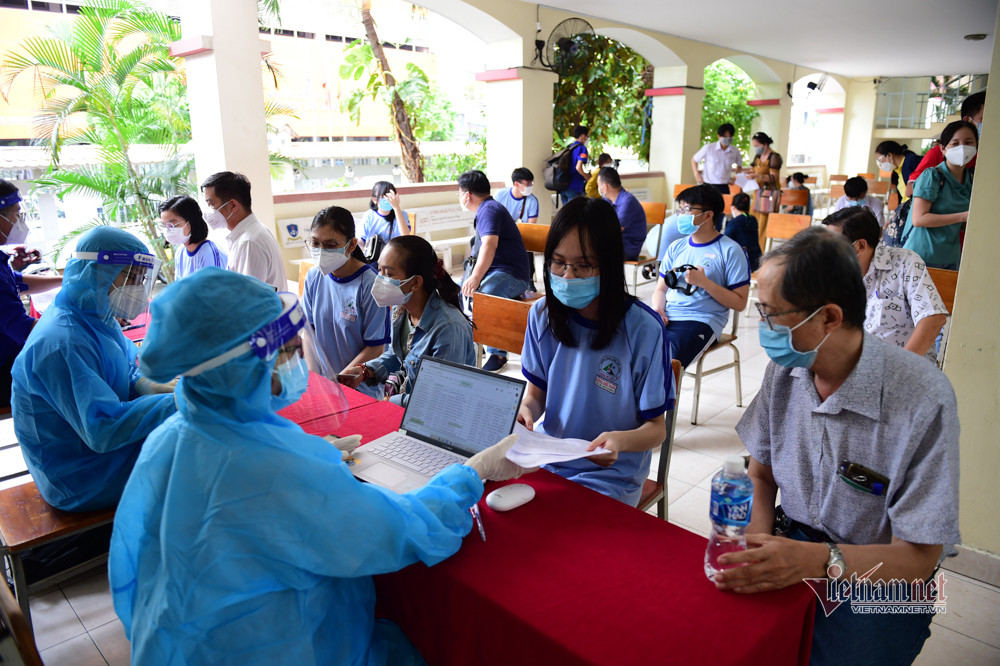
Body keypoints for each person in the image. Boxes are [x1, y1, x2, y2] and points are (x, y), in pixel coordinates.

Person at [109, 267, 532, 665]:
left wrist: (318, 459)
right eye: (290, 353)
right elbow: (395, 532)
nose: (298, 364)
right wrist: (470, 474)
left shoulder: (172, 436)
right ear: (250, 363)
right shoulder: (273, 465)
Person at [716, 226, 959, 666]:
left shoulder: (921, 397)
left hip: (887, 574)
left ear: (828, 317)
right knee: (735, 639)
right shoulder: (786, 371)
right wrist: (755, 544)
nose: (763, 328)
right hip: (796, 535)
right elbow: (761, 473)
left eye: (772, 315)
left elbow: (919, 558)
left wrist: (816, 561)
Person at [517, 196, 672, 507]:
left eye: (584, 265)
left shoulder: (644, 329)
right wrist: (524, 412)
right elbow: (536, 396)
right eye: (558, 262)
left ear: (609, 265)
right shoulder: (541, 315)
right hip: (548, 459)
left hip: (611, 475)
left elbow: (656, 430)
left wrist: (620, 441)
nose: (567, 276)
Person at [11, 226, 176, 511]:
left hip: (92, 451)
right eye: (131, 276)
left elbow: (126, 368)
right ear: (97, 272)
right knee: (199, 448)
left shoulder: (98, 318)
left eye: (141, 278)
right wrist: (176, 401)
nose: (138, 287)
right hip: (81, 474)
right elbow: (103, 429)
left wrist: (147, 385)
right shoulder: (63, 341)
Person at [343, 235, 476, 404]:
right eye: (379, 270)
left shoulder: (448, 328)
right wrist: (366, 371)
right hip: (407, 408)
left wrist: (390, 403)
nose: (379, 279)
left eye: (389, 273)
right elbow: (399, 355)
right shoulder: (402, 310)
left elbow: (441, 398)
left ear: (415, 283)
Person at [822, 207, 947, 361]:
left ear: (860, 246)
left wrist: (900, 369)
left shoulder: (905, 263)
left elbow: (933, 318)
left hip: (904, 369)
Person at [651, 184, 751, 368]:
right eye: (680, 210)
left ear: (708, 215)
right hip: (668, 315)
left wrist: (705, 283)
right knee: (631, 348)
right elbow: (660, 288)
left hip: (701, 319)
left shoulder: (730, 250)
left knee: (666, 360)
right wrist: (658, 309)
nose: (681, 215)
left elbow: (740, 303)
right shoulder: (676, 247)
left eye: (687, 209)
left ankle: (664, 396)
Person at [301, 207, 390, 399]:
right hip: (324, 387)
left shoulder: (372, 285)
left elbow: (376, 347)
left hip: (360, 388)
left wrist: (339, 382)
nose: (321, 251)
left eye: (331, 245)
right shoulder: (314, 276)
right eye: (315, 243)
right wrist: (315, 379)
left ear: (351, 245)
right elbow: (308, 332)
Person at [458, 170, 531, 372]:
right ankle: (476, 339)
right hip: (497, 273)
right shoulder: (486, 209)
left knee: (483, 296)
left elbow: (489, 245)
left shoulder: (489, 210)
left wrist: (475, 277)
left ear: (467, 195)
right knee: (456, 292)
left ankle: (498, 354)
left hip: (513, 276)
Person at [0, 180, 62, 405]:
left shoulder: (1, 260)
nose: (20, 222)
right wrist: (76, 328)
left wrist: (66, 280)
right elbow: (22, 328)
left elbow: (17, 283)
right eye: (16, 215)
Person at [902, 120, 977, 269]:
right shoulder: (932, 176)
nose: (962, 148)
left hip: (951, 256)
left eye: (969, 143)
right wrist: (964, 216)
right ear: (942, 149)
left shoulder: (971, 179)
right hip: (922, 256)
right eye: (955, 144)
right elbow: (919, 219)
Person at [201, 171, 287, 291]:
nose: (208, 212)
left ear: (233, 205)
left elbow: (249, 299)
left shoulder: (249, 242)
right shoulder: (250, 233)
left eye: (211, 204)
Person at [907, 90, 984, 188]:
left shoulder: (987, 153)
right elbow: (911, 188)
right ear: (968, 120)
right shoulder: (938, 154)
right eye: (983, 119)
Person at [159, 195, 227, 280]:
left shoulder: (209, 253)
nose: (167, 230)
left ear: (191, 222)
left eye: (171, 225)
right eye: (164, 225)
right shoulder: (180, 252)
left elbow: (215, 291)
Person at [495, 167, 541, 289]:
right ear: (516, 183)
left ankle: (529, 280)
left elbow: (531, 226)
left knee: (528, 246)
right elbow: (493, 218)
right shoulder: (500, 195)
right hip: (500, 234)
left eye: (531, 183)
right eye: (528, 183)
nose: (530, 186)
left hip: (521, 235)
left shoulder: (532, 201)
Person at [597, 166, 647, 261]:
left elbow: (615, 230)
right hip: (615, 243)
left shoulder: (628, 201)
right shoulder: (608, 200)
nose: (598, 188)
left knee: (593, 251)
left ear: (605, 186)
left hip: (628, 247)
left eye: (598, 185)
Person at [691, 123, 743, 195]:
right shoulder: (709, 148)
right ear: (719, 136)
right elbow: (694, 160)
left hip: (724, 186)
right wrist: (697, 175)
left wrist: (735, 177)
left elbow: (739, 165)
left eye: (730, 136)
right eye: (725, 136)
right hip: (708, 185)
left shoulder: (734, 150)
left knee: (723, 205)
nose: (728, 138)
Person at [359, 181, 411, 253]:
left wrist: (396, 208)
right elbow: (362, 240)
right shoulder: (369, 215)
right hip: (374, 258)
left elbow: (406, 236)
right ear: (374, 199)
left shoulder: (402, 214)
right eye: (383, 197)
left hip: (396, 256)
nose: (387, 200)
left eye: (389, 196)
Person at [724, 192, 762, 271]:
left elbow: (725, 240)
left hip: (740, 262)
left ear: (733, 207)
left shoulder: (734, 222)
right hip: (756, 260)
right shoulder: (753, 219)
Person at [559, 125, 590, 205]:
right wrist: (587, 178)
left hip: (564, 186)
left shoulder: (569, 147)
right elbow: (578, 167)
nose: (587, 139)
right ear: (583, 136)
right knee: (575, 214)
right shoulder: (582, 149)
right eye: (587, 136)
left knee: (566, 215)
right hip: (575, 187)